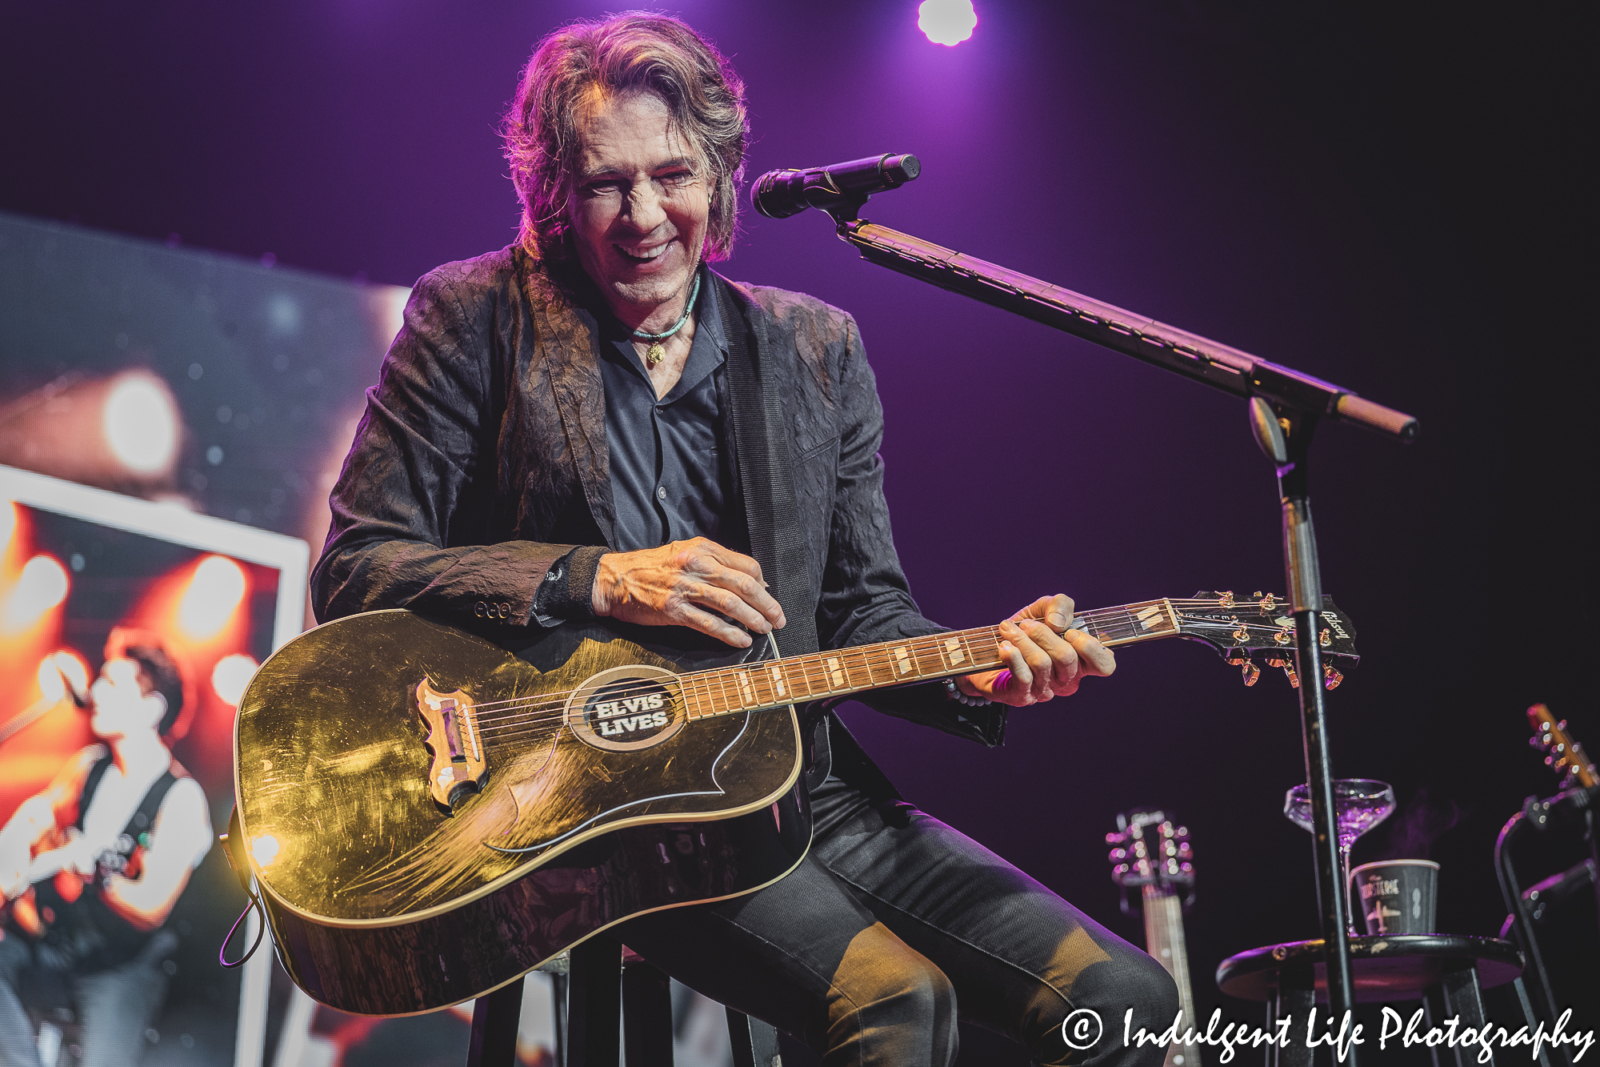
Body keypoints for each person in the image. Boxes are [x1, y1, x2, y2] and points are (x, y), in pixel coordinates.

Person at [311, 13, 1177, 1065]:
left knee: (1127, 994)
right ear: (552, 193)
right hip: (598, 807)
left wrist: (978, 673)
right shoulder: (474, 316)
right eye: (603, 185)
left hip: (800, 788)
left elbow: (863, 611)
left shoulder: (813, 347)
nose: (642, 217)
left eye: (671, 175)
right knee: (896, 1002)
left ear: (721, 174)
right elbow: (358, 569)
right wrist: (598, 579)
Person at [0, 631, 212, 1067]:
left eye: (111, 684)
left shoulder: (181, 797)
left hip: (121, 969)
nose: (94, 691)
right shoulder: (88, 765)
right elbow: (35, 815)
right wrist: (14, 848)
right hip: (61, 948)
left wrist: (96, 874)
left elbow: (151, 906)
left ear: (152, 708)